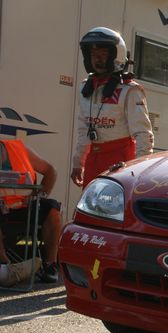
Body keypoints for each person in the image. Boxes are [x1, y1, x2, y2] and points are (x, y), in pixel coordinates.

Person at [71, 27, 154, 188]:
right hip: (93, 160)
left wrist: (140, 170)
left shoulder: (130, 90)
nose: (98, 60)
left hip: (121, 162)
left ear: (116, 56)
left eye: (103, 55)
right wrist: (78, 163)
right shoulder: (86, 88)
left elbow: (143, 134)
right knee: (89, 209)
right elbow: (83, 130)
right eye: (94, 56)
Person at [0, 139, 63, 286]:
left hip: (25, 208)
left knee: (52, 209)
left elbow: (51, 171)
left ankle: (49, 265)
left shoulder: (17, 148)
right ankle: (5, 267)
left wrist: (40, 196)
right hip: (2, 211)